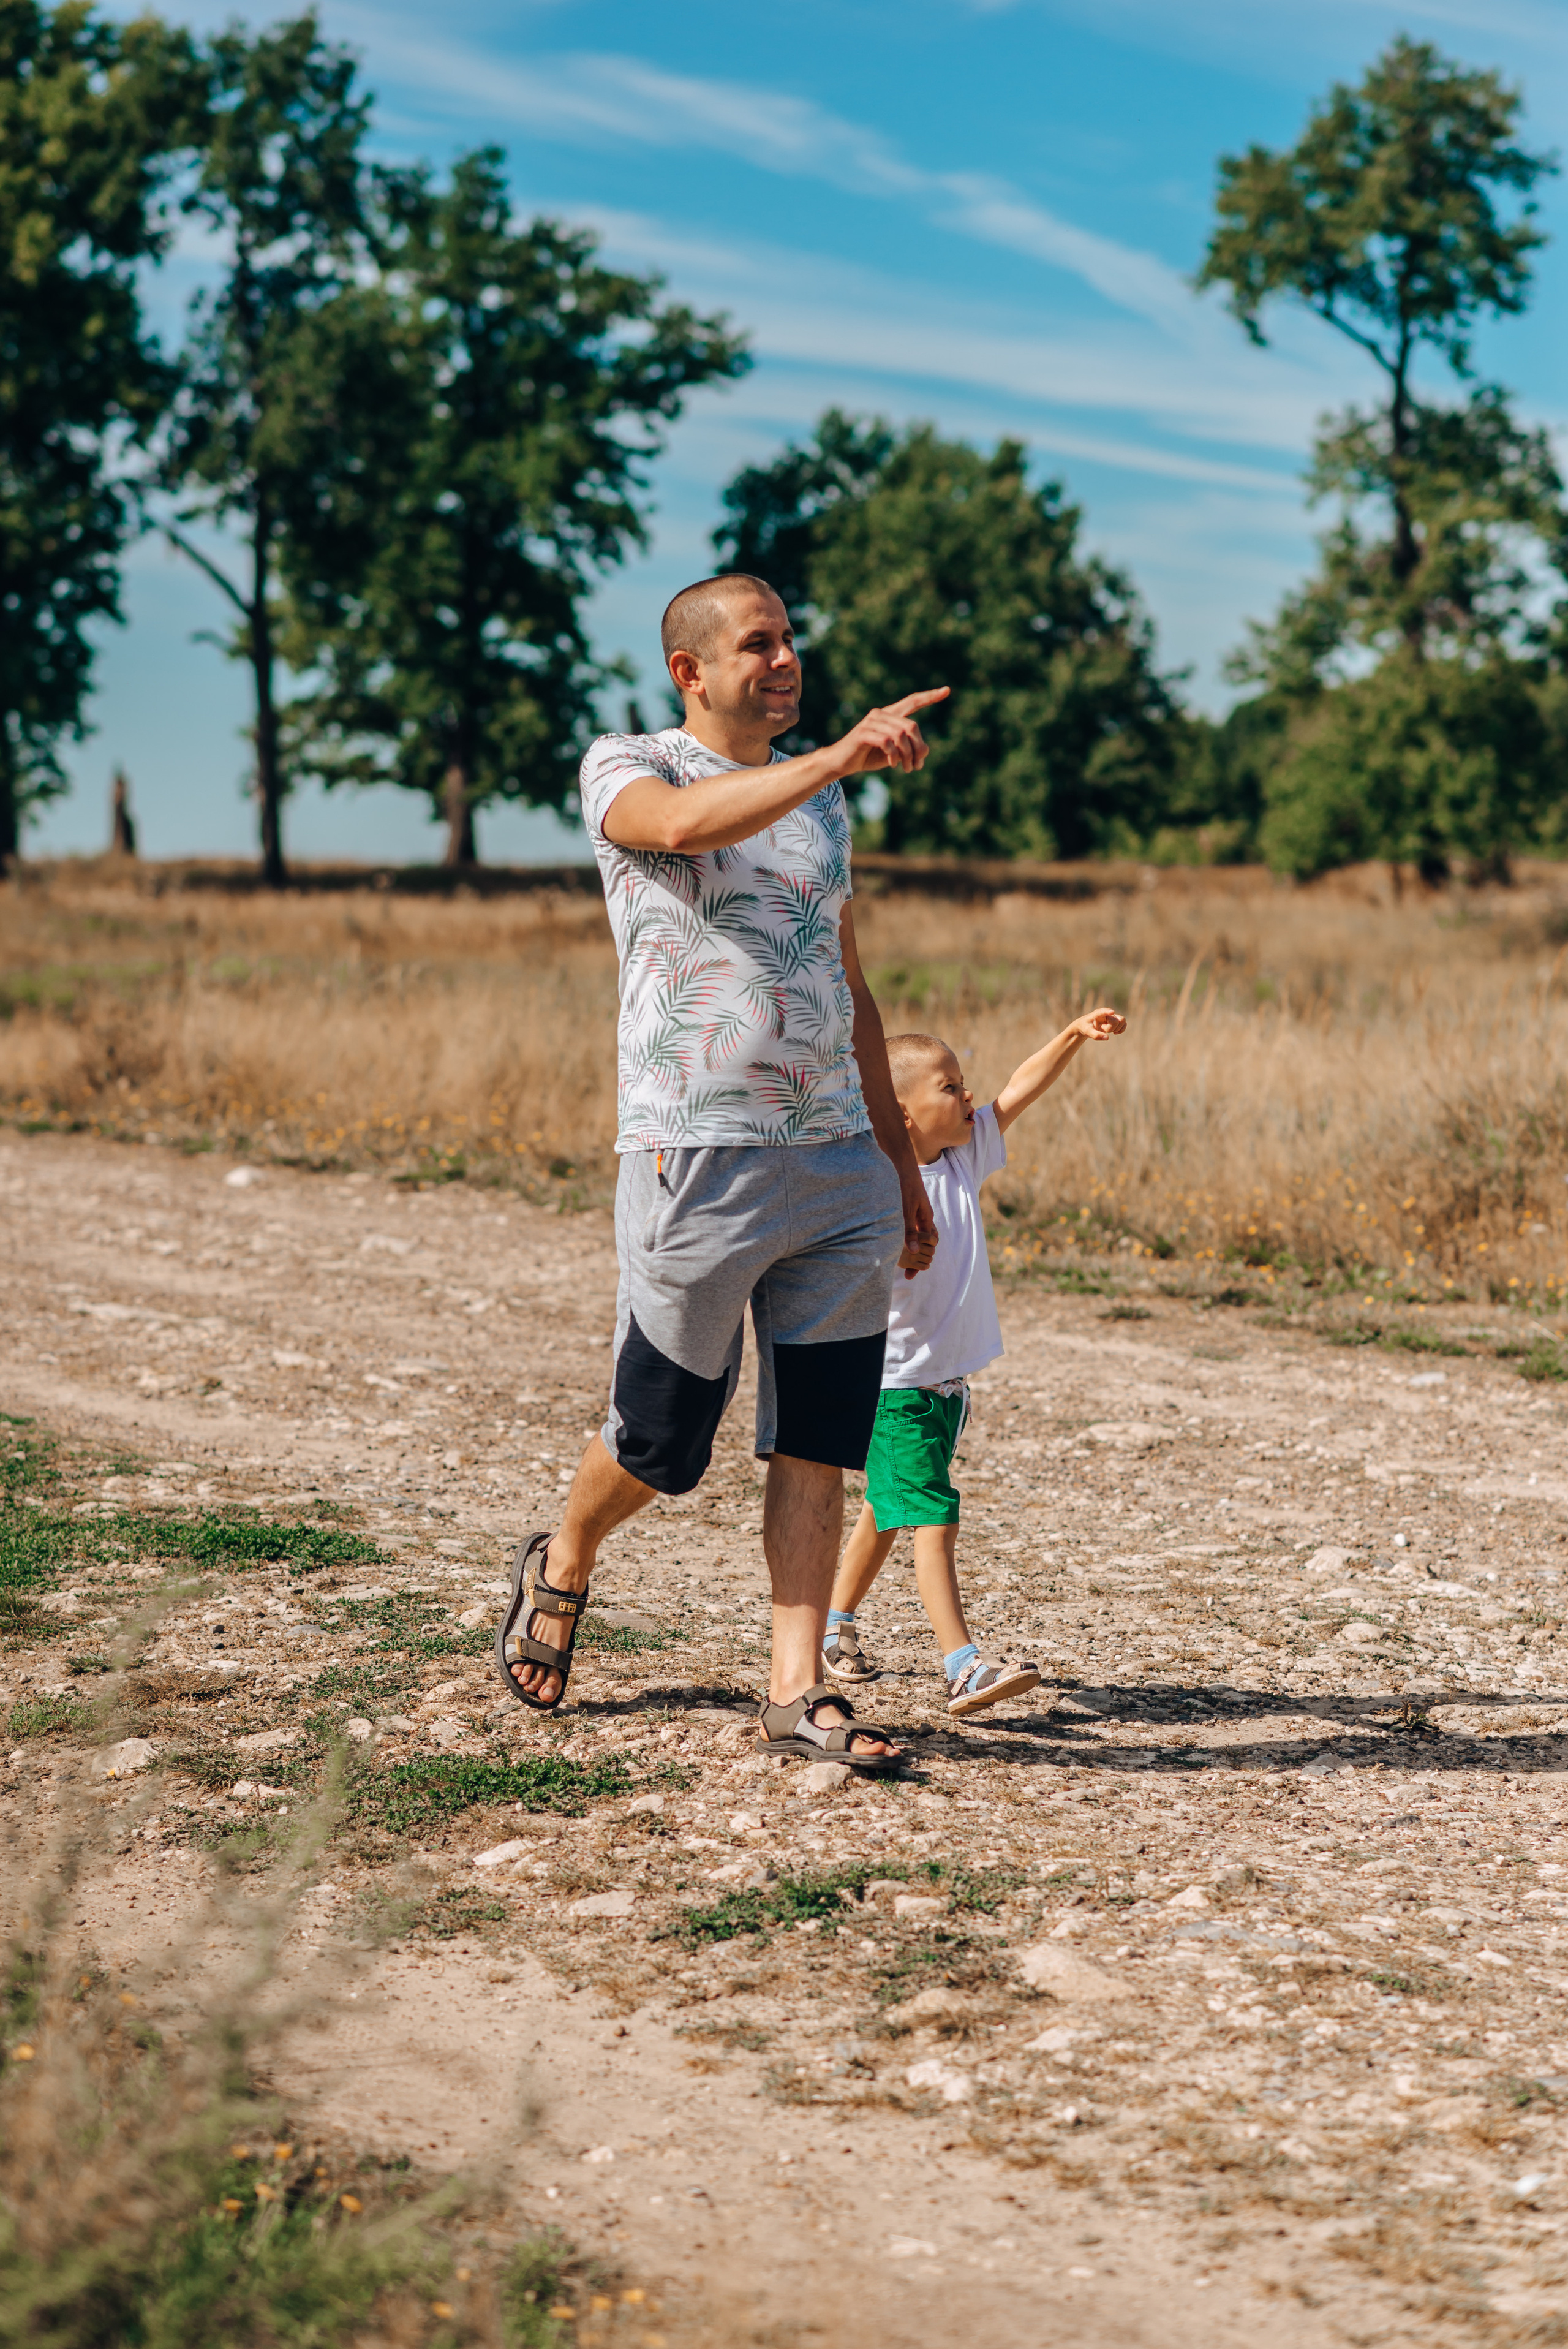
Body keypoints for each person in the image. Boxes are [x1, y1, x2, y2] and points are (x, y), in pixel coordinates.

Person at [494, 571, 946, 1771]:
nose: (786, 659)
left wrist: (898, 1164)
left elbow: (850, 989)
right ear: (691, 672)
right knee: (662, 1440)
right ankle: (568, 1556)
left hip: (837, 1163)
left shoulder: (821, 810)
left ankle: (795, 1691)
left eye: (793, 638)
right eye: (759, 644)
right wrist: (841, 757)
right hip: (697, 1157)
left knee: (817, 1433)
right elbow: (686, 832)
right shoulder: (626, 765)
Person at [822, 1008, 1126, 1717]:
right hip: (893, 1386)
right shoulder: (871, 1182)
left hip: (944, 1388)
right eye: (950, 1088)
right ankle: (962, 1666)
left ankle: (834, 1624)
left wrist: (1072, 1036)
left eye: (964, 1085)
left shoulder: (963, 1155)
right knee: (930, 1512)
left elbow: (1020, 1089)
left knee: (887, 1509)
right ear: (902, 1111)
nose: (968, 1099)